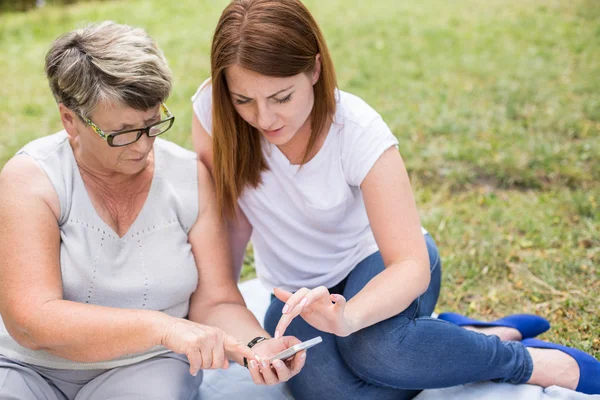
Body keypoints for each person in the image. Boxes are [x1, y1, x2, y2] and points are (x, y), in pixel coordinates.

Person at [191, 0, 600, 399]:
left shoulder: (357, 129)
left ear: (314, 68)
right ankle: (458, 340)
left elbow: (408, 264)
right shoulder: (214, 111)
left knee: (377, 351)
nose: (264, 119)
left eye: (281, 97)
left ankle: (526, 361)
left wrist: (347, 317)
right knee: (328, 390)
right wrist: (237, 323)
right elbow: (228, 227)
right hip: (299, 291)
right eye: (244, 100)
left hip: (380, 264)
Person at [0, 21, 307, 400]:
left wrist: (257, 344)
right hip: (28, 367)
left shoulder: (188, 178)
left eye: (152, 123)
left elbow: (216, 301)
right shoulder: (32, 178)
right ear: (70, 121)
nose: (143, 146)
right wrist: (162, 327)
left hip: (146, 365)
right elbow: (31, 321)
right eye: (123, 132)